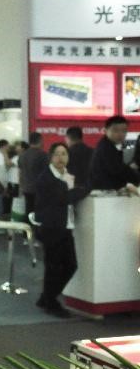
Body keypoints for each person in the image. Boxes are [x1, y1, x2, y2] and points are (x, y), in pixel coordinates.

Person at [33, 143, 90, 318]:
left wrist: (77, 189)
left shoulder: (67, 175)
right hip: (51, 227)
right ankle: (51, 302)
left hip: (65, 226)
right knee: (54, 267)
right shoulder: (46, 178)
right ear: (51, 157)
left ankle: (46, 297)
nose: (60, 158)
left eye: (64, 154)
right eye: (57, 154)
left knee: (70, 265)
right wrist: (83, 190)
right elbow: (63, 198)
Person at [88, 115, 140, 191]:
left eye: (124, 131)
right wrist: (136, 179)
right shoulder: (106, 148)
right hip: (102, 192)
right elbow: (119, 170)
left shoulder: (110, 145)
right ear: (105, 131)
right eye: (115, 130)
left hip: (105, 190)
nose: (120, 134)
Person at [17, 132, 48, 225]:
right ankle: (37, 230)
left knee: (28, 210)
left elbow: (20, 172)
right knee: (39, 212)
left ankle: (27, 230)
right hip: (39, 189)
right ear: (40, 141)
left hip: (26, 188)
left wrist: (21, 187)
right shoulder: (42, 155)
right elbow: (47, 173)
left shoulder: (22, 155)